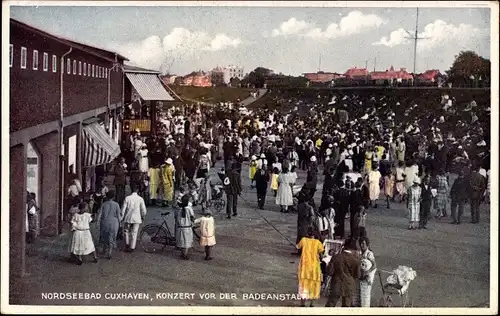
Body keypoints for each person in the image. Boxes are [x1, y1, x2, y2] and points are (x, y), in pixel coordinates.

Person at [325, 238, 361, 307]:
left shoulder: (336, 257)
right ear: (353, 249)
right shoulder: (356, 260)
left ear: (344, 247)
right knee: (346, 307)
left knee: (330, 304)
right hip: (349, 285)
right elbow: (358, 276)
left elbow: (329, 272)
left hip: (336, 284)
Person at [296, 227, 325, 307]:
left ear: (307, 233)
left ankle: (303, 304)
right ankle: (312, 304)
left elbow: (298, 247)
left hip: (305, 267)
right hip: (315, 268)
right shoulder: (318, 243)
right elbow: (321, 254)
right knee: (314, 285)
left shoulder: (303, 240)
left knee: (304, 285)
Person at [121, 185, 147, 253]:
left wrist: (121, 218)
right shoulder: (140, 199)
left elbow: (123, 209)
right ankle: (132, 247)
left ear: (131, 190)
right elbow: (143, 210)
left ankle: (127, 244)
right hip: (137, 218)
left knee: (126, 231)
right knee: (134, 232)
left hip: (128, 217)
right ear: (137, 190)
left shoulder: (127, 198)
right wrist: (143, 216)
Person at [175, 194, 195, 260]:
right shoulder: (189, 209)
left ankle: (182, 253)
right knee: (187, 242)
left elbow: (175, 217)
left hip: (180, 228)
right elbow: (192, 217)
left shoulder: (178, 209)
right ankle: (185, 255)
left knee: (182, 241)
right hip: (187, 228)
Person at [359, 237, 377, 307]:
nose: (361, 245)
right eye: (360, 243)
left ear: (367, 245)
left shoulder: (369, 254)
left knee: (365, 297)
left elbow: (374, 265)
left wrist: (368, 272)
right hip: (361, 278)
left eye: (363, 244)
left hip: (367, 279)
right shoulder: (360, 252)